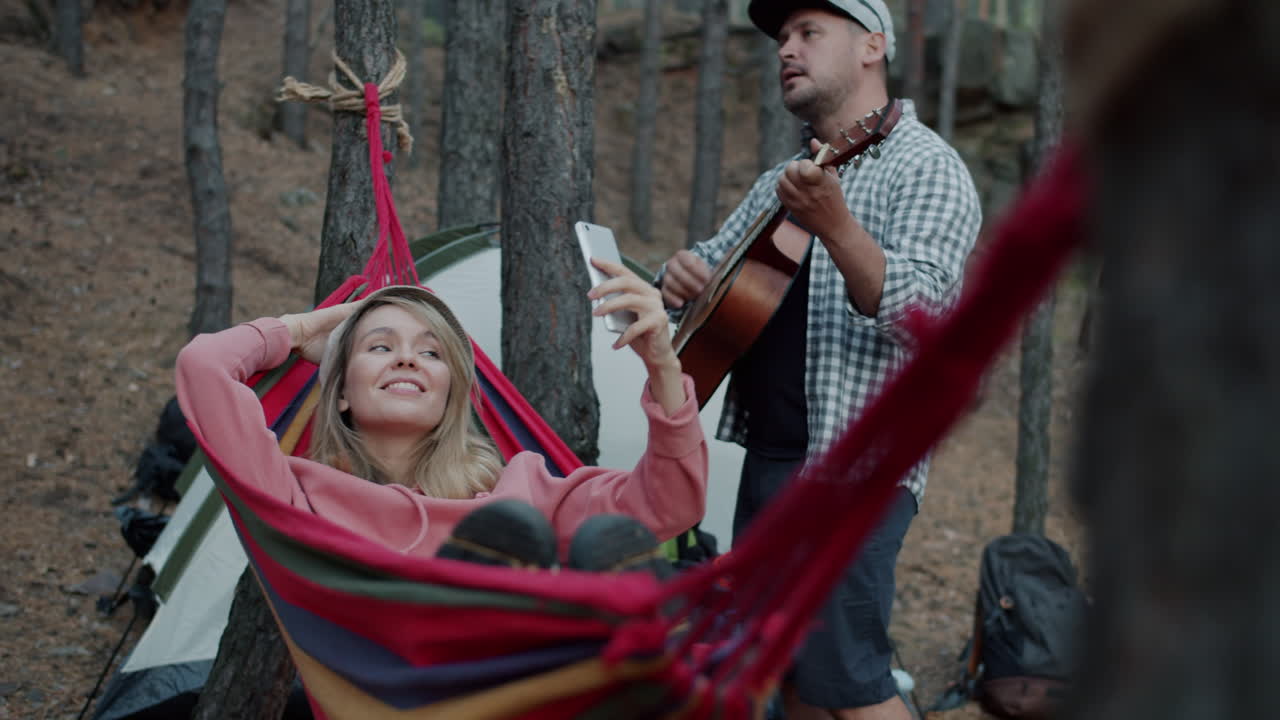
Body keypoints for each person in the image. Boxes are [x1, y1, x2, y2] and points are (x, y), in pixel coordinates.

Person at [657, 1, 982, 718]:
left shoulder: (927, 167)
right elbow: (711, 277)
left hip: (856, 468)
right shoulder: (785, 177)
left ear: (873, 46)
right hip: (772, 461)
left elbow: (923, 316)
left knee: (850, 681)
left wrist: (837, 226)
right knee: (791, 678)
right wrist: (676, 279)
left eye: (809, 33)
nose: (787, 49)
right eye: (781, 38)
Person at [174, 260, 708, 570]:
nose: (408, 357)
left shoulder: (522, 489)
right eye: (380, 347)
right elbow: (203, 366)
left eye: (431, 353)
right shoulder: (296, 496)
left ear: (450, 394)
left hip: (512, 691)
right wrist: (295, 332)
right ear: (339, 393)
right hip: (387, 687)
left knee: (607, 549)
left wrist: (663, 364)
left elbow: (669, 505)